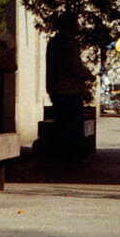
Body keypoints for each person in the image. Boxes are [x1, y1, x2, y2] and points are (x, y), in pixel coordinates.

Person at [45, 11, 93, 157]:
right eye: (76, 22)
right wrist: (87, 75)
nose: (78, 25)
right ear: (70, 25)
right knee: (73, 125)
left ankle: (63, 153)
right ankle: (73, 155)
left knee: (62, 122)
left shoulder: (54, 42)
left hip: (57, 89)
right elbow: (73, 67)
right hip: (69, 90)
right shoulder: (68, 43)